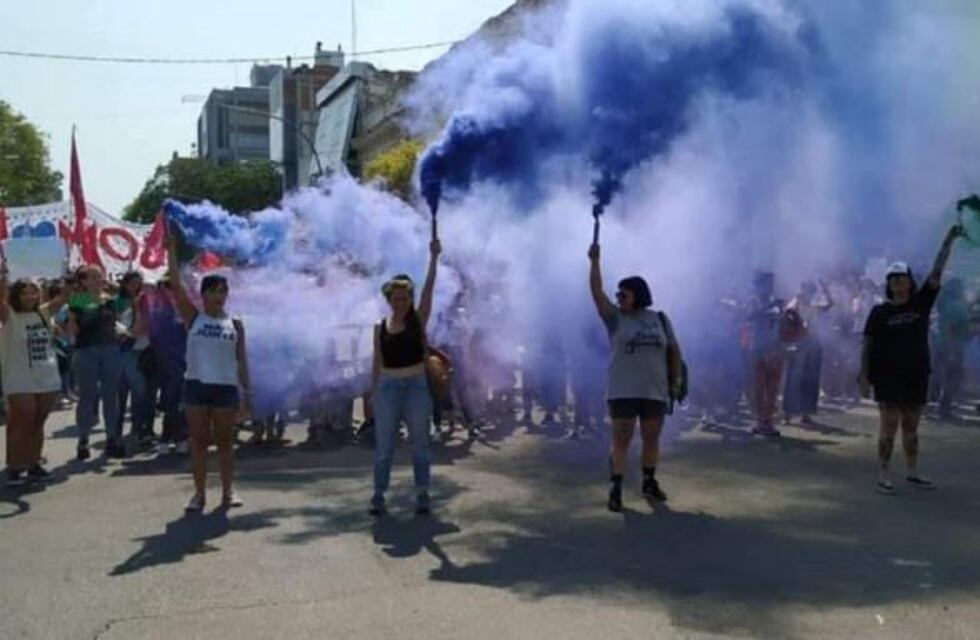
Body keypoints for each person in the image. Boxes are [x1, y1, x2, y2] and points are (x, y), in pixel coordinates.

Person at [860, 223, 964, 494]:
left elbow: (937, 270)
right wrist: (864, 375)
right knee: (888, 427)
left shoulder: (921, 303)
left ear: (909, 280)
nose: (897, 281)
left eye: (901, 277)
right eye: (893, 278)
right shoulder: (879, 312)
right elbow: (867, 344)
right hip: (888, 377)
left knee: (911, 428)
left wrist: (949, 239)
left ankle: (912, 472)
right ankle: (883, 473)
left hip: (916, 374)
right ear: (888, 284)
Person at [588, 243, 683, 512]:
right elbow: (597, 293)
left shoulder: (659, 319)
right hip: (623, 389)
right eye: (618, 294)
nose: (618, 298)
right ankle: (616, 486)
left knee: (651, 436)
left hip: (654, 389)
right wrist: (595, 262)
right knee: (622, 436)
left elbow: (674, 350)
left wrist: (674, 381)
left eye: (624, 294)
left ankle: (649, 481)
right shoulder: (615, 318)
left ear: (639, 296)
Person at [167, 227, 252, 512]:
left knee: (226, 444)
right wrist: (171, 249)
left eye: (223, 292)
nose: (219, 296)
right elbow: (176, 285)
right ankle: (199, 494)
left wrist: (247, 393)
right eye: (214, 292)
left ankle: (228, 492)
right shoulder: (194, 317)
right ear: (203, 295)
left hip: (226, 388)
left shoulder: (235, 323)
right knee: (200, 442)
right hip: (196, 385)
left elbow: (241, 359)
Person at [369, 238, 441, 516]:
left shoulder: (418, 321)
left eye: (405, 297)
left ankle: (422, 492)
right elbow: (377, 362)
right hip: (388, 386)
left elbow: (429, 292)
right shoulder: (379, 327)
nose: (400, 302)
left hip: (416, 386)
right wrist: (373, 394)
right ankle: (379, 494)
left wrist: (433, 258)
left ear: (411, 299)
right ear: (389, 300)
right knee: (384, 446)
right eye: (396, 298)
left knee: (419, 443)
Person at [1, 266, 68, 485]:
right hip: (19, 377)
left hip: (46, 375)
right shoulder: (9, 315)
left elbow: (65, 295)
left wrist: (72, 276)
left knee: (38, 422)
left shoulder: (44, 312)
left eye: (34, 291)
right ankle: (14, 466)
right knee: (22, 419)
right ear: (15, 294)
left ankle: (33, 463)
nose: (30, 296)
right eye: (25, 292)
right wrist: (3, 274)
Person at [66, 265, 123, 460]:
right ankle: (83, 438)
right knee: (87, 396)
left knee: (111, 395)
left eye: (100, 275)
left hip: (110, 349)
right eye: (93, 276)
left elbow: (124, 313)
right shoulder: (77, 300)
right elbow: (72, 329)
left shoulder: (112, 300)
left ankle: (112, 439)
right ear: (83, 281)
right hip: (86, 351)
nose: (99, 279)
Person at [782, 280, 833, 424]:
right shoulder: (795, 304)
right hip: (798, 344)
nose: (810, 294)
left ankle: (806, 413)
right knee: (794, 379)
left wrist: (825, 288)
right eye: (808, 291)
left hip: (812, 343)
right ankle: (788, 413)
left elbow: (829, 305)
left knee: (810, 379)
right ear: (803, 290)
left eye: (812, 291)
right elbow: (788, 320)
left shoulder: (812, 306)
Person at [114, 272, 154, 448]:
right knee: (121, 395)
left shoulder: (147, 303)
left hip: (143, 352)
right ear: (125, 284)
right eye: (133, 284)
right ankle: (115, 434)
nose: (136, 288)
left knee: (141, 395)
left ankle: (138, 430)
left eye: (140, 284)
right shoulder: (116, 303)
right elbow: (130, 331)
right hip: (125, 352)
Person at [744, 271, 786, 437]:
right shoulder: (752, 301)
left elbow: (780, 325)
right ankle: (759, 420)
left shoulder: (775, 301)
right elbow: (749, 316)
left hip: (774, 348)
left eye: (771, 283)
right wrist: (770, 306)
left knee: (773, 387)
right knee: (758, 387)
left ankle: (768, 420)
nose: (770, 287)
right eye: (767, 283)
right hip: (757, 349)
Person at [933, 278, 970, 420]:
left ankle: (944, 408)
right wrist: (952, 349)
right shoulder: (957, 307)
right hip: (953, 346)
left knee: (946, 378)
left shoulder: (945, 305)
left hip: (943, 345)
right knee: (952, 378)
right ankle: (944, 409)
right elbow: (950, 328)